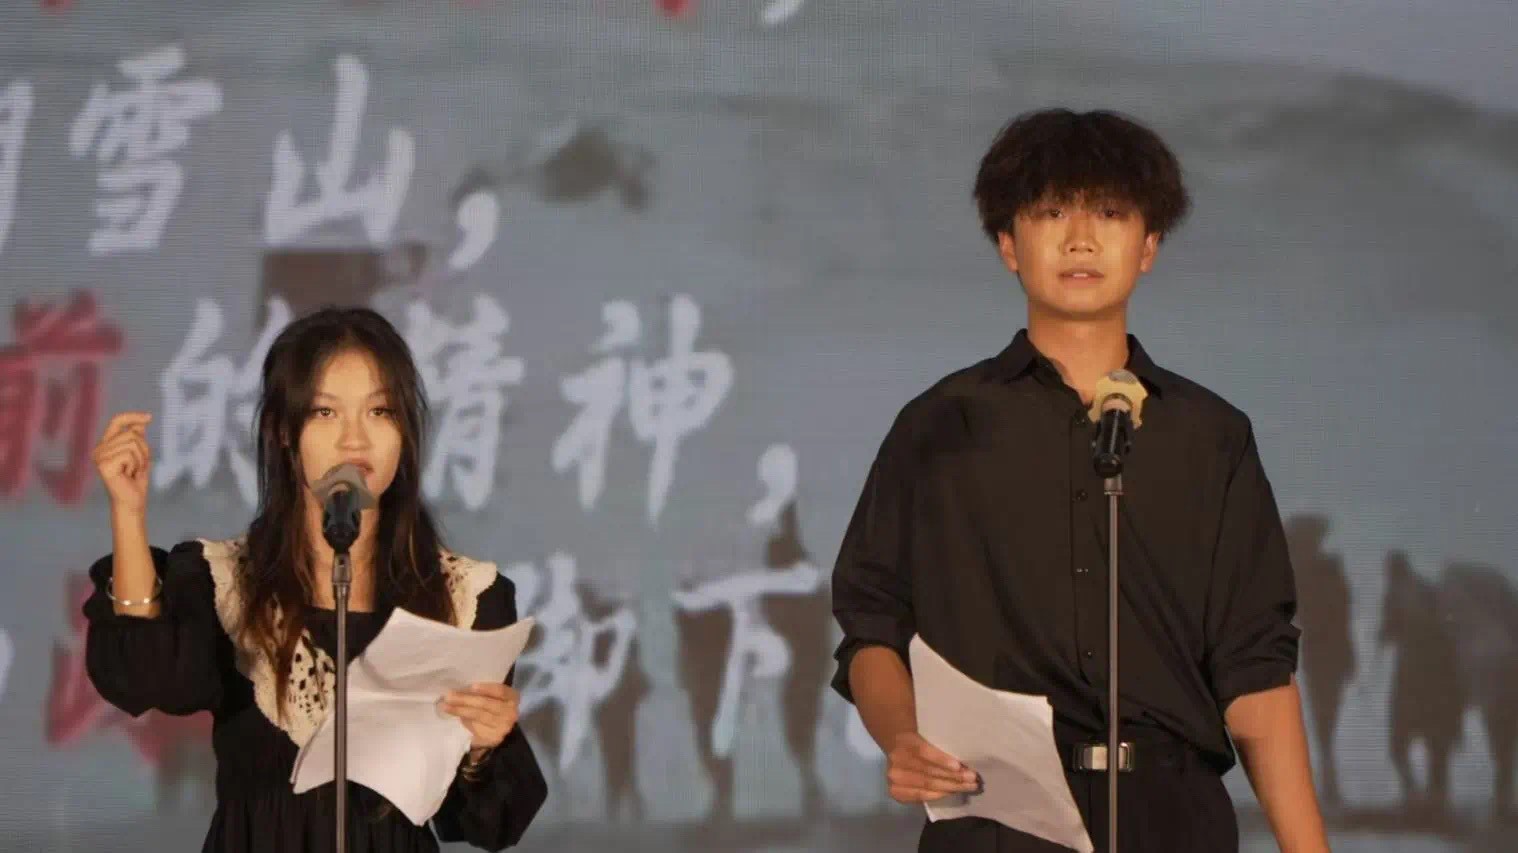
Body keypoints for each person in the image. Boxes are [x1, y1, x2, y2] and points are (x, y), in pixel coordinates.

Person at [829, 109, 1330, 852]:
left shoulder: (1211, 436)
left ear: (1149, 244)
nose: (1081, 239)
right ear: (1008, 243)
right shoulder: (939, 426)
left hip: (1173, 819)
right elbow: (874, 625)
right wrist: (902, 736)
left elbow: (1255, 666)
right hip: (997, 818)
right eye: (1052, 213)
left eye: (1111, 213)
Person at [84, 306, 547, 852]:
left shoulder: (464, 597)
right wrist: (129, 514)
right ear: (284, 431)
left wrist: (484, 747)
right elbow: (145, 679)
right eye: (326, 412)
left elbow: (490, 825)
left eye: (380, 411)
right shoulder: (226, 580)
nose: (355, 439)